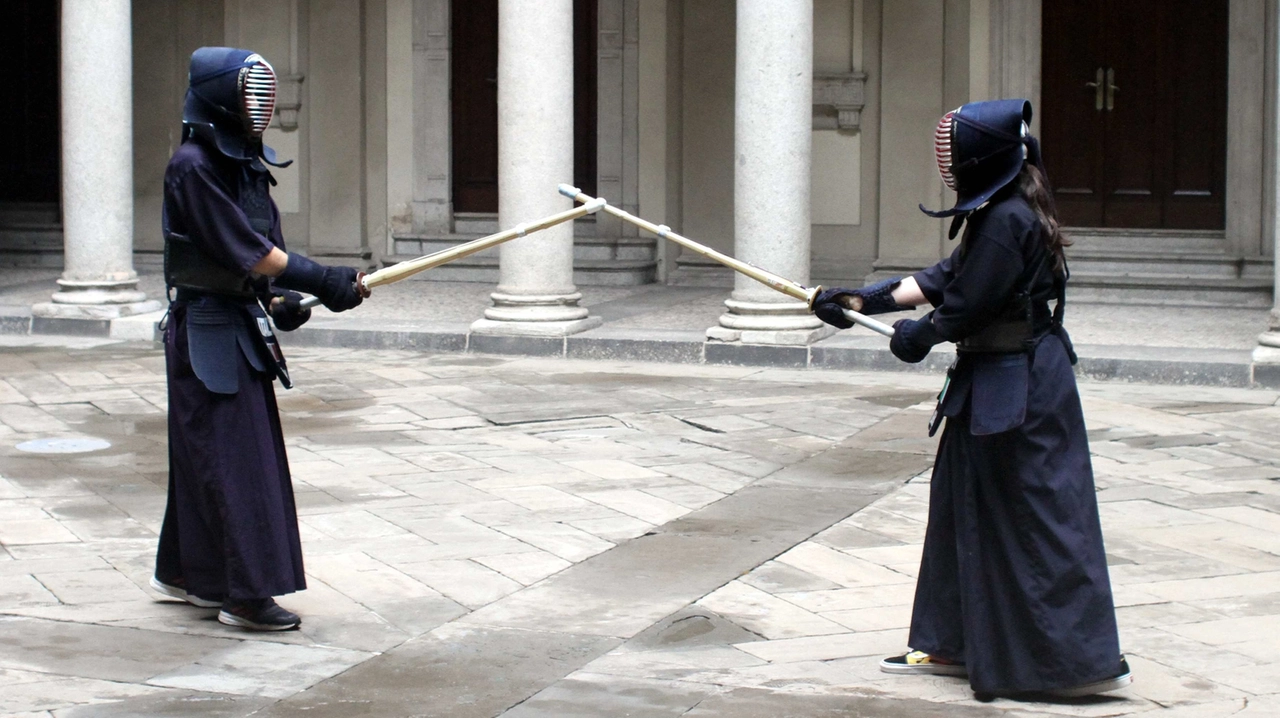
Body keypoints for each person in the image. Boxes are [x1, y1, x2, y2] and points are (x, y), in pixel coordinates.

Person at [812, 99, 1129, 700]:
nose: (945, 162)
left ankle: (1060, 660)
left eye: (951, 152)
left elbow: (965, 306)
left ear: (977, 159)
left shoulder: (1009, 219)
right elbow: (943, 278)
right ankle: (951, 641)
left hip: (1022, 390)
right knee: (965, 504)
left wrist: (918, 335)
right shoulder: (1001, 210)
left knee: (1032, 521)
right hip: (999, 383)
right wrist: (860, 302)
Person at [150, 47, 370, 631]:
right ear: (222, 96)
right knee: (234, 465)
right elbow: (246, 249)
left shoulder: (241, 164)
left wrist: (279, 301)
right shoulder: (193, 165)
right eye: (252, 94)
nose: (262, 106)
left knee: (214, 457)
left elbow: (253, 261)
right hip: (205, 334)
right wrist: (323, 277)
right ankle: (243, 596)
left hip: (238, 324)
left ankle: (184, 573)